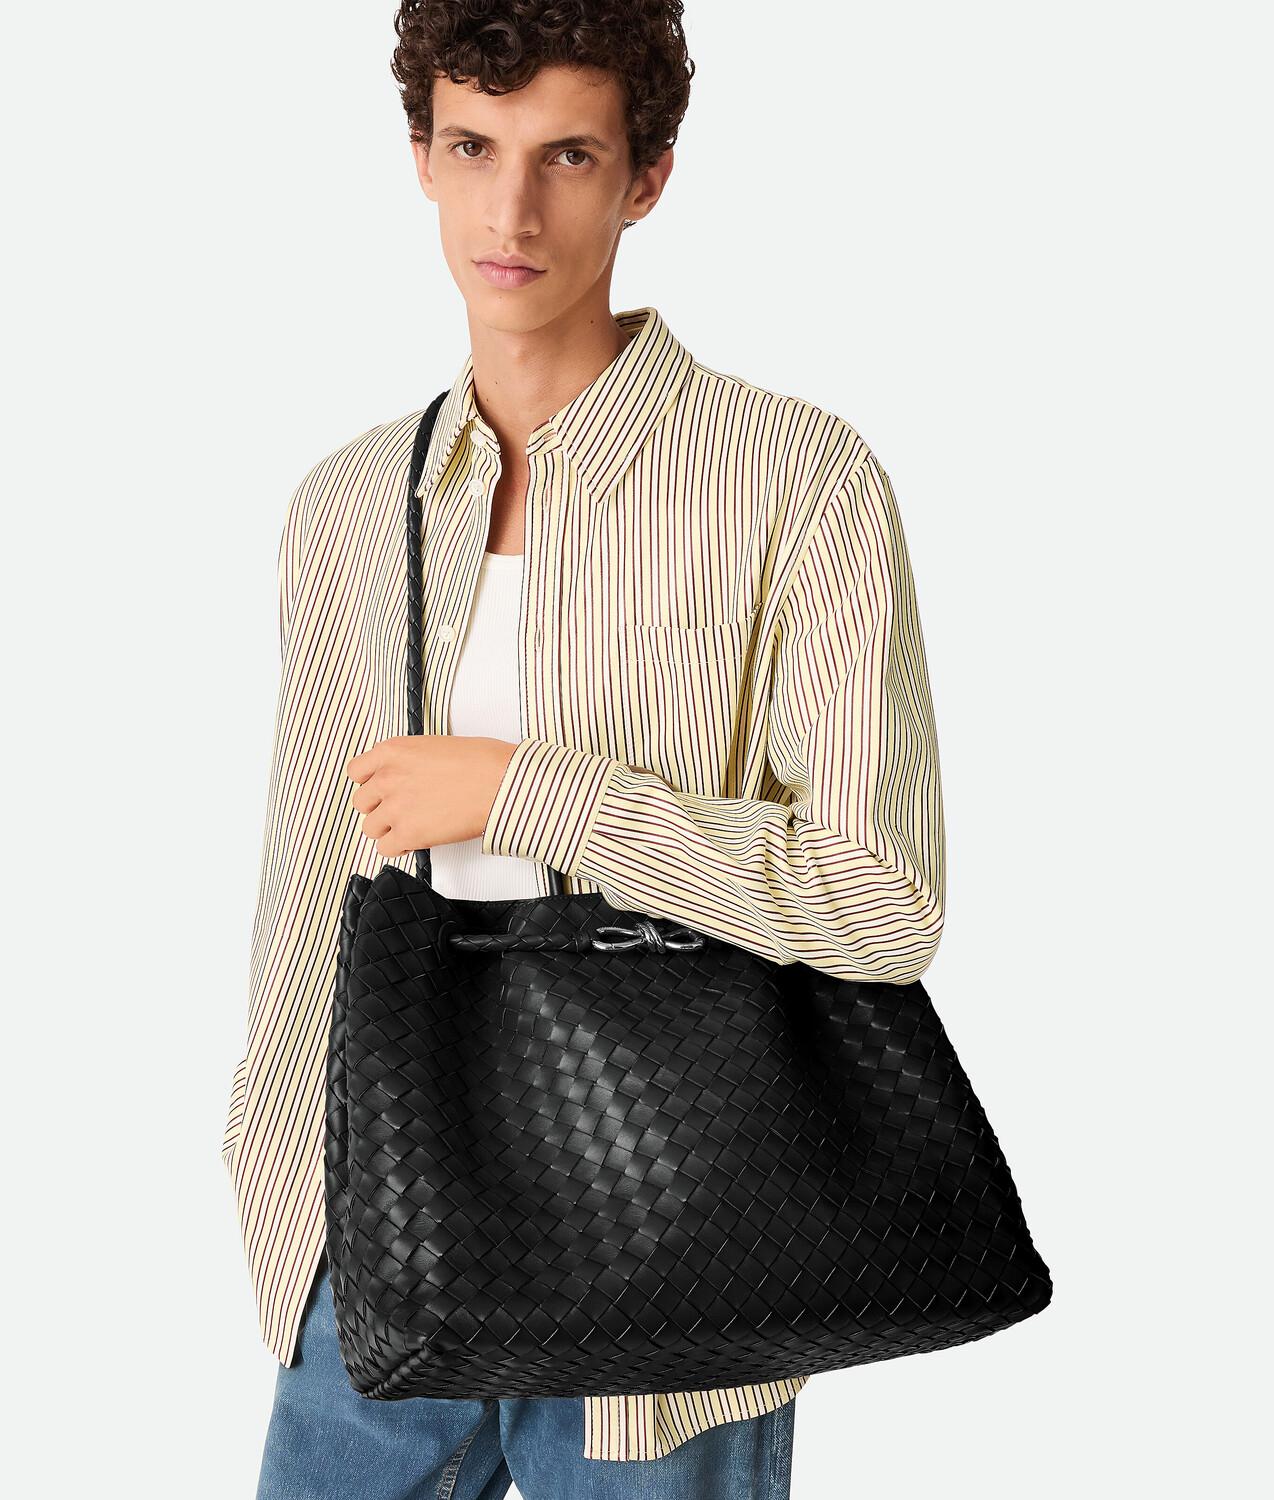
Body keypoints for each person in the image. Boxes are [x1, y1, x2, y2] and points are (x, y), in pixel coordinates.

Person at [225, 4, 946, 1496]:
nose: (510, 212)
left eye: (566, 156)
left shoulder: (794, 482)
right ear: (418, 155)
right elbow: (304, 887)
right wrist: (277, 1177)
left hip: (670, 1257)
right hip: (374, 1233)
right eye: (472, 148)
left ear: (645, 178)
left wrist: (533, 795)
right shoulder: (349, 503)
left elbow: (884, 902)